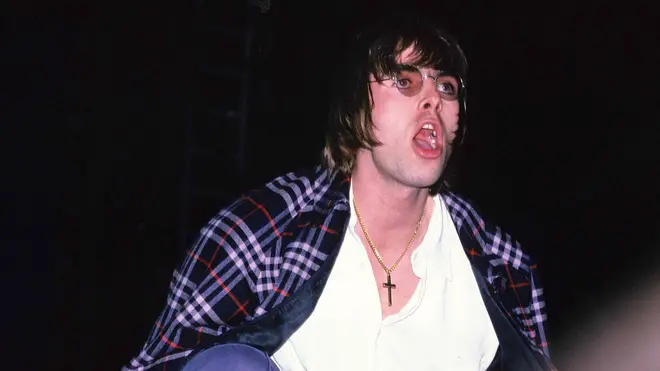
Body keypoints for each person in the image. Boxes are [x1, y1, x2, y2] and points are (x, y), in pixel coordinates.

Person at [123, 13, 555, 371]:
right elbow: (161, 361)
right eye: (405, 81)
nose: (432, 100)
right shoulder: (272, 228)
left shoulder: (501, 265)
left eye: (446, 87)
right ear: (355, 107)